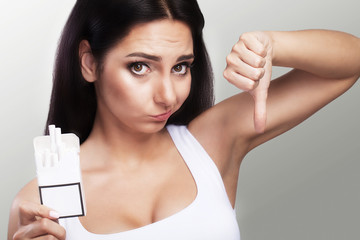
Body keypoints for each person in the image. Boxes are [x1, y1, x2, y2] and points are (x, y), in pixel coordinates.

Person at [7, 0, 360, 239]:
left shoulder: (210, 143)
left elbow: (349, 63)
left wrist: (272, 44)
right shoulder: (41, 201)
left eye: (180, 67)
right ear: (89, 62)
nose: (168, 95)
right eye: (140, 67)